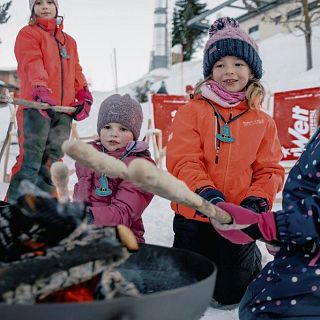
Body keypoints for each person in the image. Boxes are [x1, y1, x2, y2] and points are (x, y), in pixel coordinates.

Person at [166, 17, 285, 307]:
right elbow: (183, 159)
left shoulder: (262, 121)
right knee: (188, 291)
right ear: (209, 72)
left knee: (230, 295)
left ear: (252, 70)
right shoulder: (191, 112)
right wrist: (206, 193)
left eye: (238, 64)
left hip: (237, 218)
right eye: (220, 65)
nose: (228, 71)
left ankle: (248, 257)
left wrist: (256, 201)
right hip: (194, 213)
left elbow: (269, 169)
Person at [212, 120, 320, 319]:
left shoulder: (262, 121)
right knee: (252, 301)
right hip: (300, 252)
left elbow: (269, 169)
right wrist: (286, 237)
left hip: (309, 275)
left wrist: (269, 223)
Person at [5, 0, 93, 202]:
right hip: (36, 107)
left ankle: (44, 213)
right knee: (31, 161)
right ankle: (12, 213)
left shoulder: (68, 41)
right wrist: (40, 88)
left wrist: (83, 93)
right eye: (38, 3)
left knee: (53, 162)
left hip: (63, 111)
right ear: (32, 8)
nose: (45, 6)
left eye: (49, 2)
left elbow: (76, 69)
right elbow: (31, 62)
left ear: (56, 7)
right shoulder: (28, 34)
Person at [73, 94, 154, 243]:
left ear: (134, 135)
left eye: (123, 129)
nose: (113, 133)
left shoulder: (139, 168)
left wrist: (87, 217)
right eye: (107, 127)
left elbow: (124, 213)